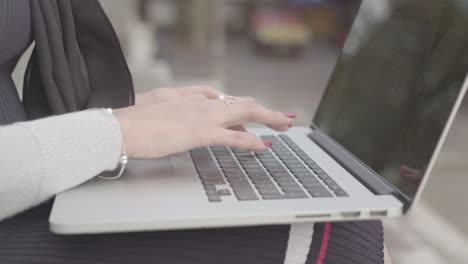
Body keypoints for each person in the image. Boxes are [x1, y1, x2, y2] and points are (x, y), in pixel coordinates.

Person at [0, 1, 387, 263]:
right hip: (14, 213)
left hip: (33, 177)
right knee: (349, 238)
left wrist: (133, 115)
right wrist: (117, 131)